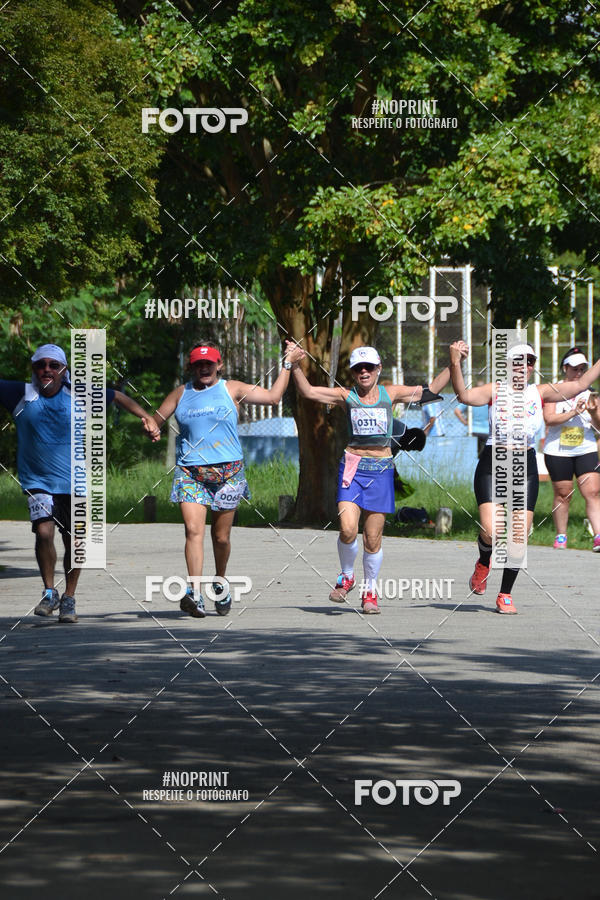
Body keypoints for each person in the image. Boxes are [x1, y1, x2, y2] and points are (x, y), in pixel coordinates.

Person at [0, 343, 159, 623]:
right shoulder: (20, 393)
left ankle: (69, 597)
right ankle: (49, 592)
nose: (46, 370)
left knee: (74, 542)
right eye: (40, 365)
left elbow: (117, 396)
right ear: (33, 369)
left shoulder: (81, 395)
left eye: (53, 365)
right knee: (44, 532)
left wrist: (146, 418)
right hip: (38, 481)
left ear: (64, 370)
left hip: (76, 483)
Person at [151, 339, 304, 619]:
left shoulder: (231, 388)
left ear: (219, 365)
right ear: (191, 367)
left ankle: (220, 581)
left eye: (209, 363)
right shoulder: (180, 394)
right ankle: (195, 593)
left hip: (228, 474)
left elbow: (273, 398)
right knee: (193, 531)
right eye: (198, 364)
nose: (204, 368)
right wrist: (151, 427)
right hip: (191, 473)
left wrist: (287, 363)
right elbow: (155, 421)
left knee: (221, 537)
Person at [292, 345, 450, 614]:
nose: (363, 372)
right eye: (358, 368)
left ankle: (370, 592)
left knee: (372, 538)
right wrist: (294, 365)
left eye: (368, 367)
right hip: (352, 467)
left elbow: (430, 391)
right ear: (353, 373)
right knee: (347, 529)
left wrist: (454, 363)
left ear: (378, 369)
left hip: (380, 470)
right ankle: (347, 576)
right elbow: (308, 392)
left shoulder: (391, 393)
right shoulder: (346, 395)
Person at [450, 340, 600, 614]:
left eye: (529, 361)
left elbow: (580, 384)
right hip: (494, 462)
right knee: (492, 531)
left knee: (519, 535)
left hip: (524, 464)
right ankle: (484, 561)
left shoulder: (540, 392)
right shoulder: (495, 390)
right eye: (518, 361)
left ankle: (505, 594)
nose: (524, 366)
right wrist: (455, 362)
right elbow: (463, 396)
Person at [543, 347, 600, 551]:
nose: (579, 373)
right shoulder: (554, 390)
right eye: (575, 368)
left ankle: (598, 535)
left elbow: (599, 426)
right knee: (563, 494)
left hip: (585, 448)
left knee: (593, 492)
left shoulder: (591, 392)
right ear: (565, 368)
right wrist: (573, 413)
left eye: (582, 369)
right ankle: (561, 535)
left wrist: (593, 413)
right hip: (558, 451)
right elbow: (549, 419)